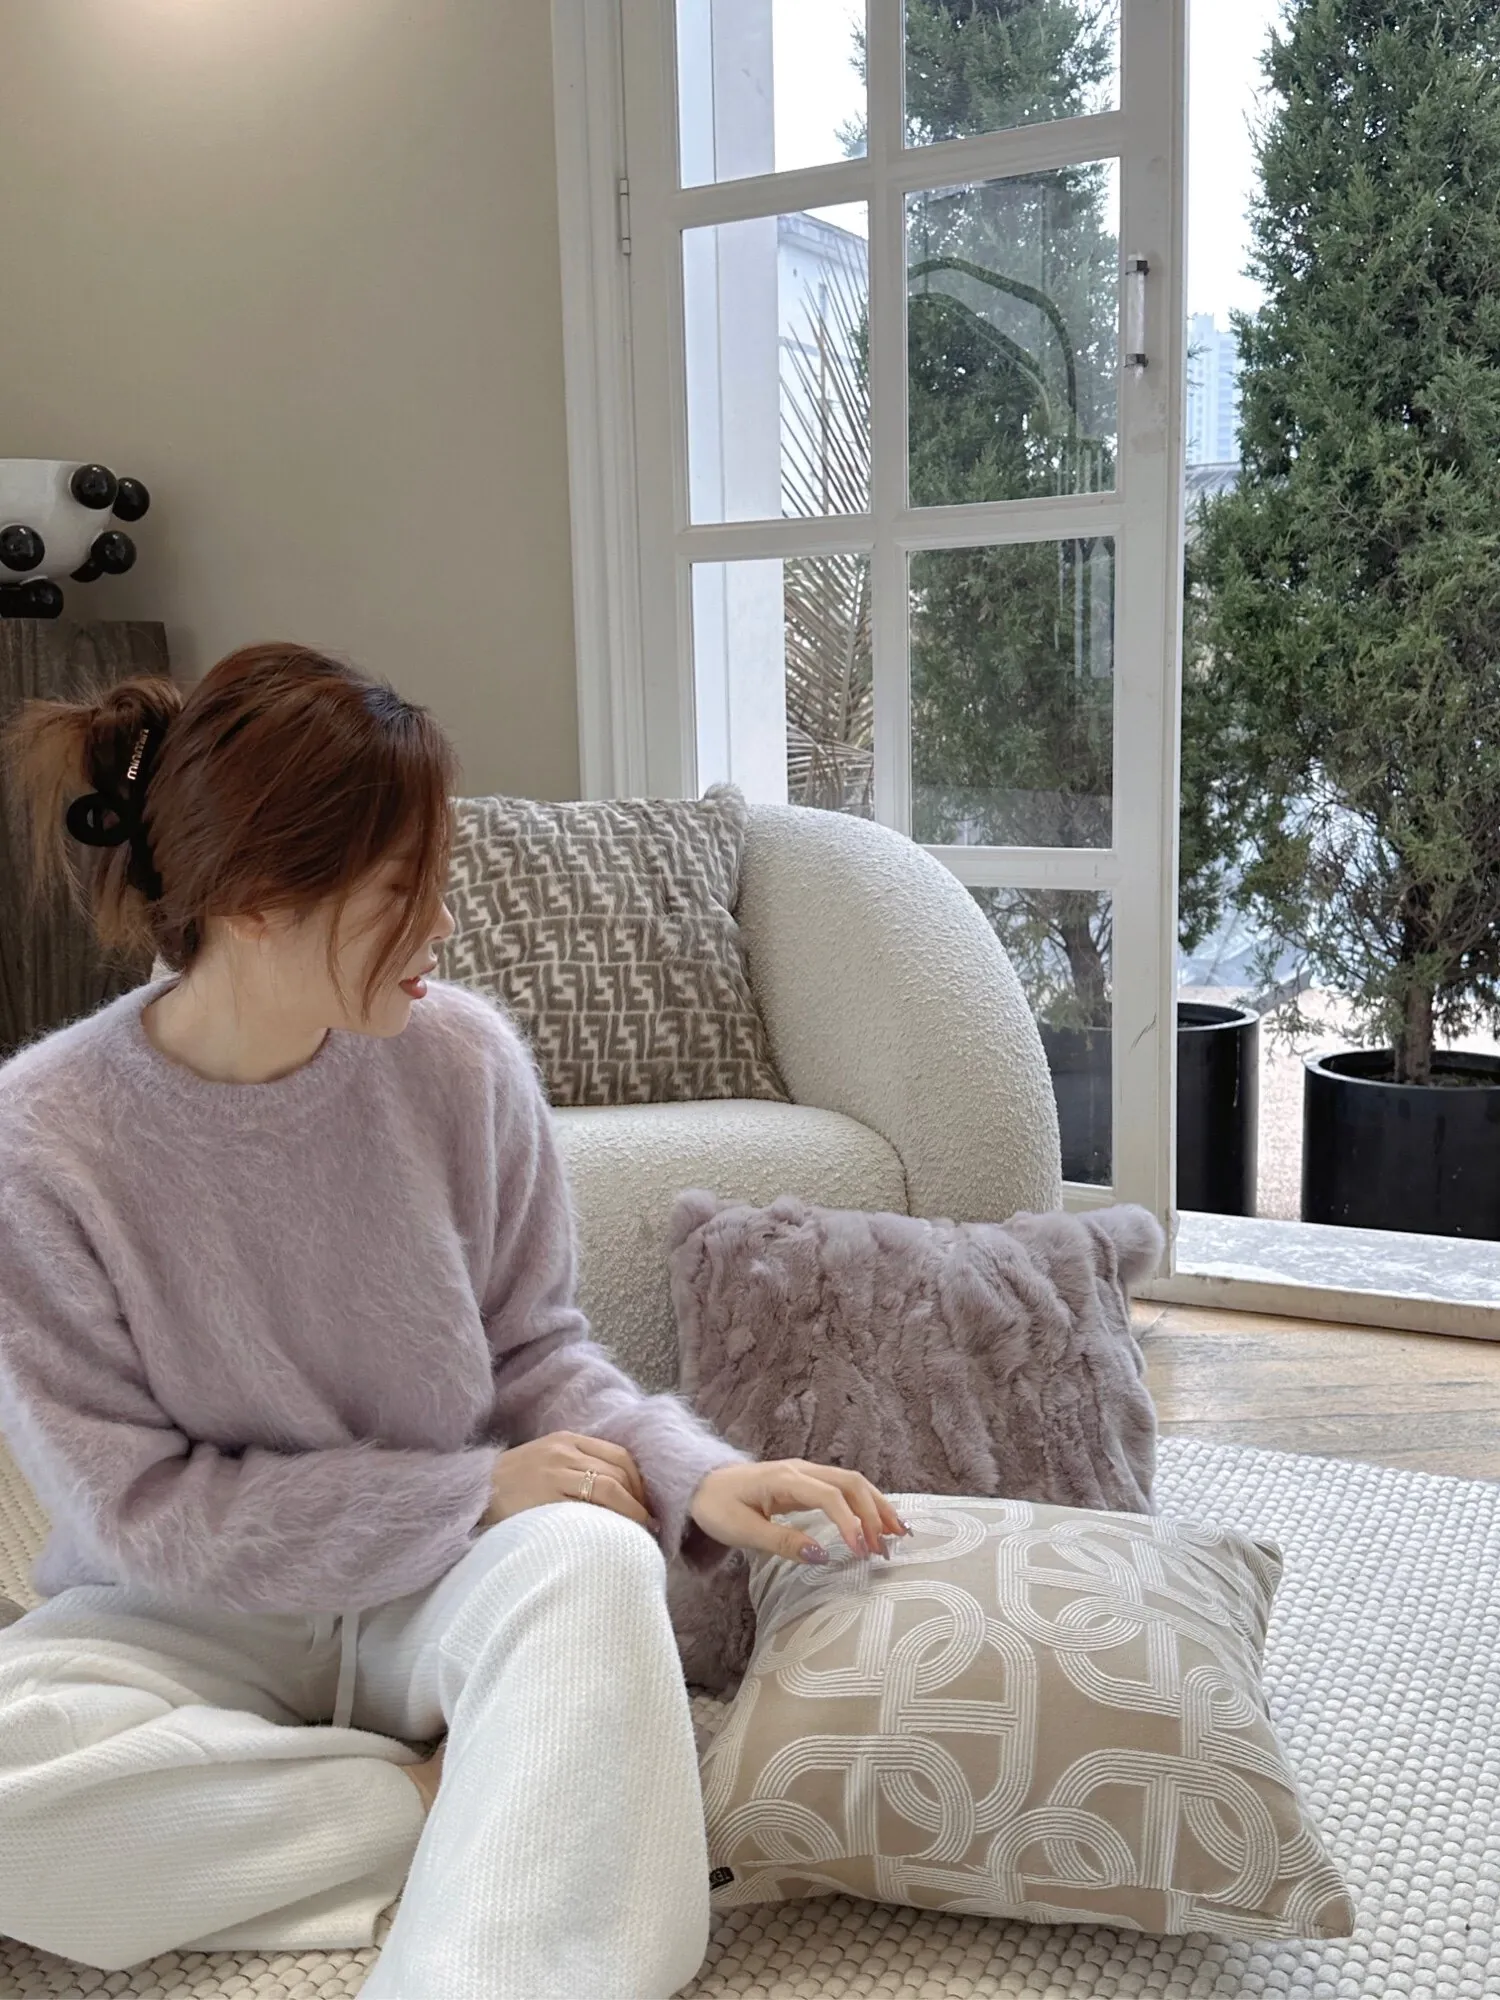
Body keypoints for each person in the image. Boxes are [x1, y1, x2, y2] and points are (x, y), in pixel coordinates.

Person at [0, 641, 906, 1999]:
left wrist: (694, 1475)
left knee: (593, 1560)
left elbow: (537, 1353)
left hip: (437, 1595)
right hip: (188, 1611)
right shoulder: (39, 1139)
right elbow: (143, 1512)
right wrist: (471, 1489)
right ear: (254, 900)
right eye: (399, 893)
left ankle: (469, 1920)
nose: (440, 929)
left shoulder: (462, 1060)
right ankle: (439, 1803)